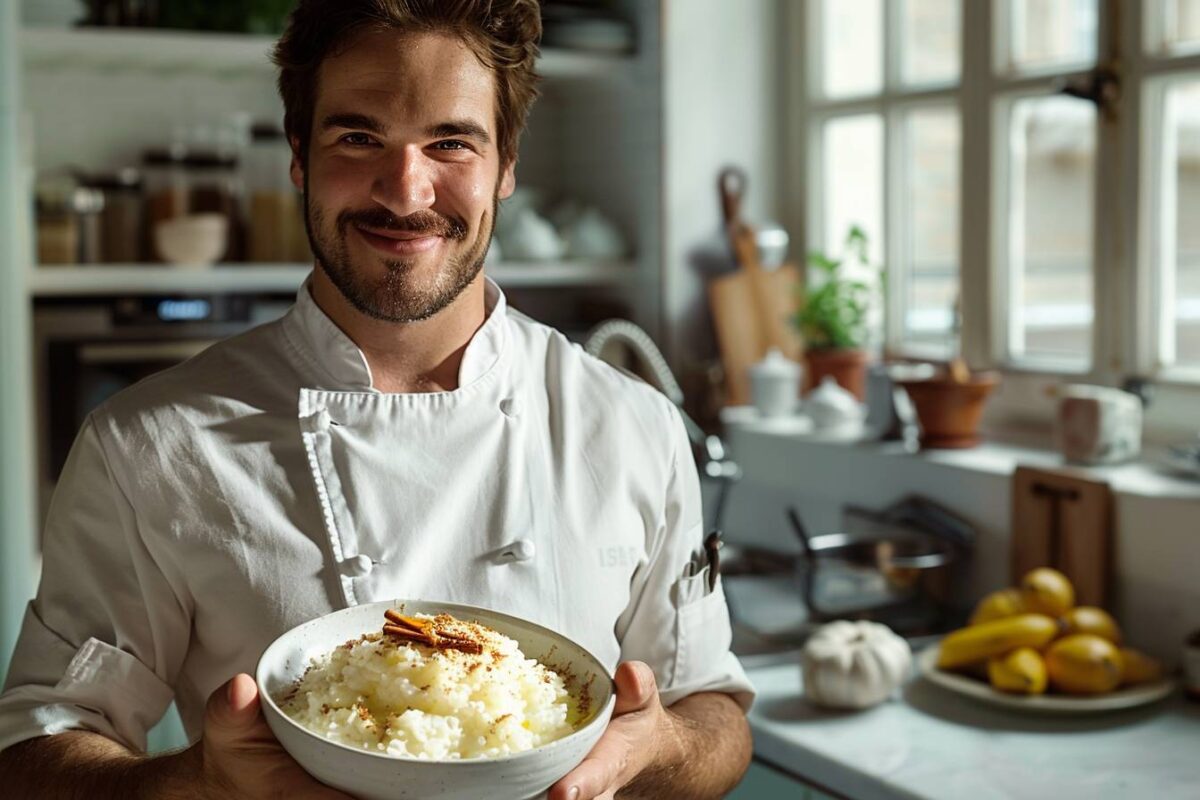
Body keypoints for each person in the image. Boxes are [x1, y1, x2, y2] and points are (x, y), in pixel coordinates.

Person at [0, 1, 754, 797]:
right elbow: (30, 751)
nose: (403, 192)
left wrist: (660, 743)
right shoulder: (149, 445)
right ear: (299, 154)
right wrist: (197, 784)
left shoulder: (632, 424)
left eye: (451, 142)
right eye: (357, 138)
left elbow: (713, 712)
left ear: (506, 166)